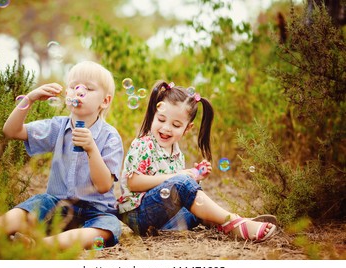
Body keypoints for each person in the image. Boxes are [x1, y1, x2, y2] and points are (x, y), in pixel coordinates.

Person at [0, 61, 124, 250]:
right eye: (74, 86)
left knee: (109, 228)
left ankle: (39, 245)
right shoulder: (57, 127)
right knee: (38, 203)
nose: (79, 92)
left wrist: (91, 148)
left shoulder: (110, 137)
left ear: (105, 101)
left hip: (97, 212)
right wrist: (30, 98)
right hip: (57, 208)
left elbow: (103, 186)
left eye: (89, 88)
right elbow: (11, 131)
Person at [117, 80, 277, 242]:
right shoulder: (143, 144)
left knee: (195, 208)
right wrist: (179, 177)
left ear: (188, 128)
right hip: (138, 215)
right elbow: (134, 183)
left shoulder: (177, 153)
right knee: (182, 184)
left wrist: (194, 177)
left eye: (176, 125)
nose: (166, 128)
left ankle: (220, 223)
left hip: (161, 218)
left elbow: (173, 191)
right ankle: (234, 221)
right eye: (161, 119)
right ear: (153, 115)